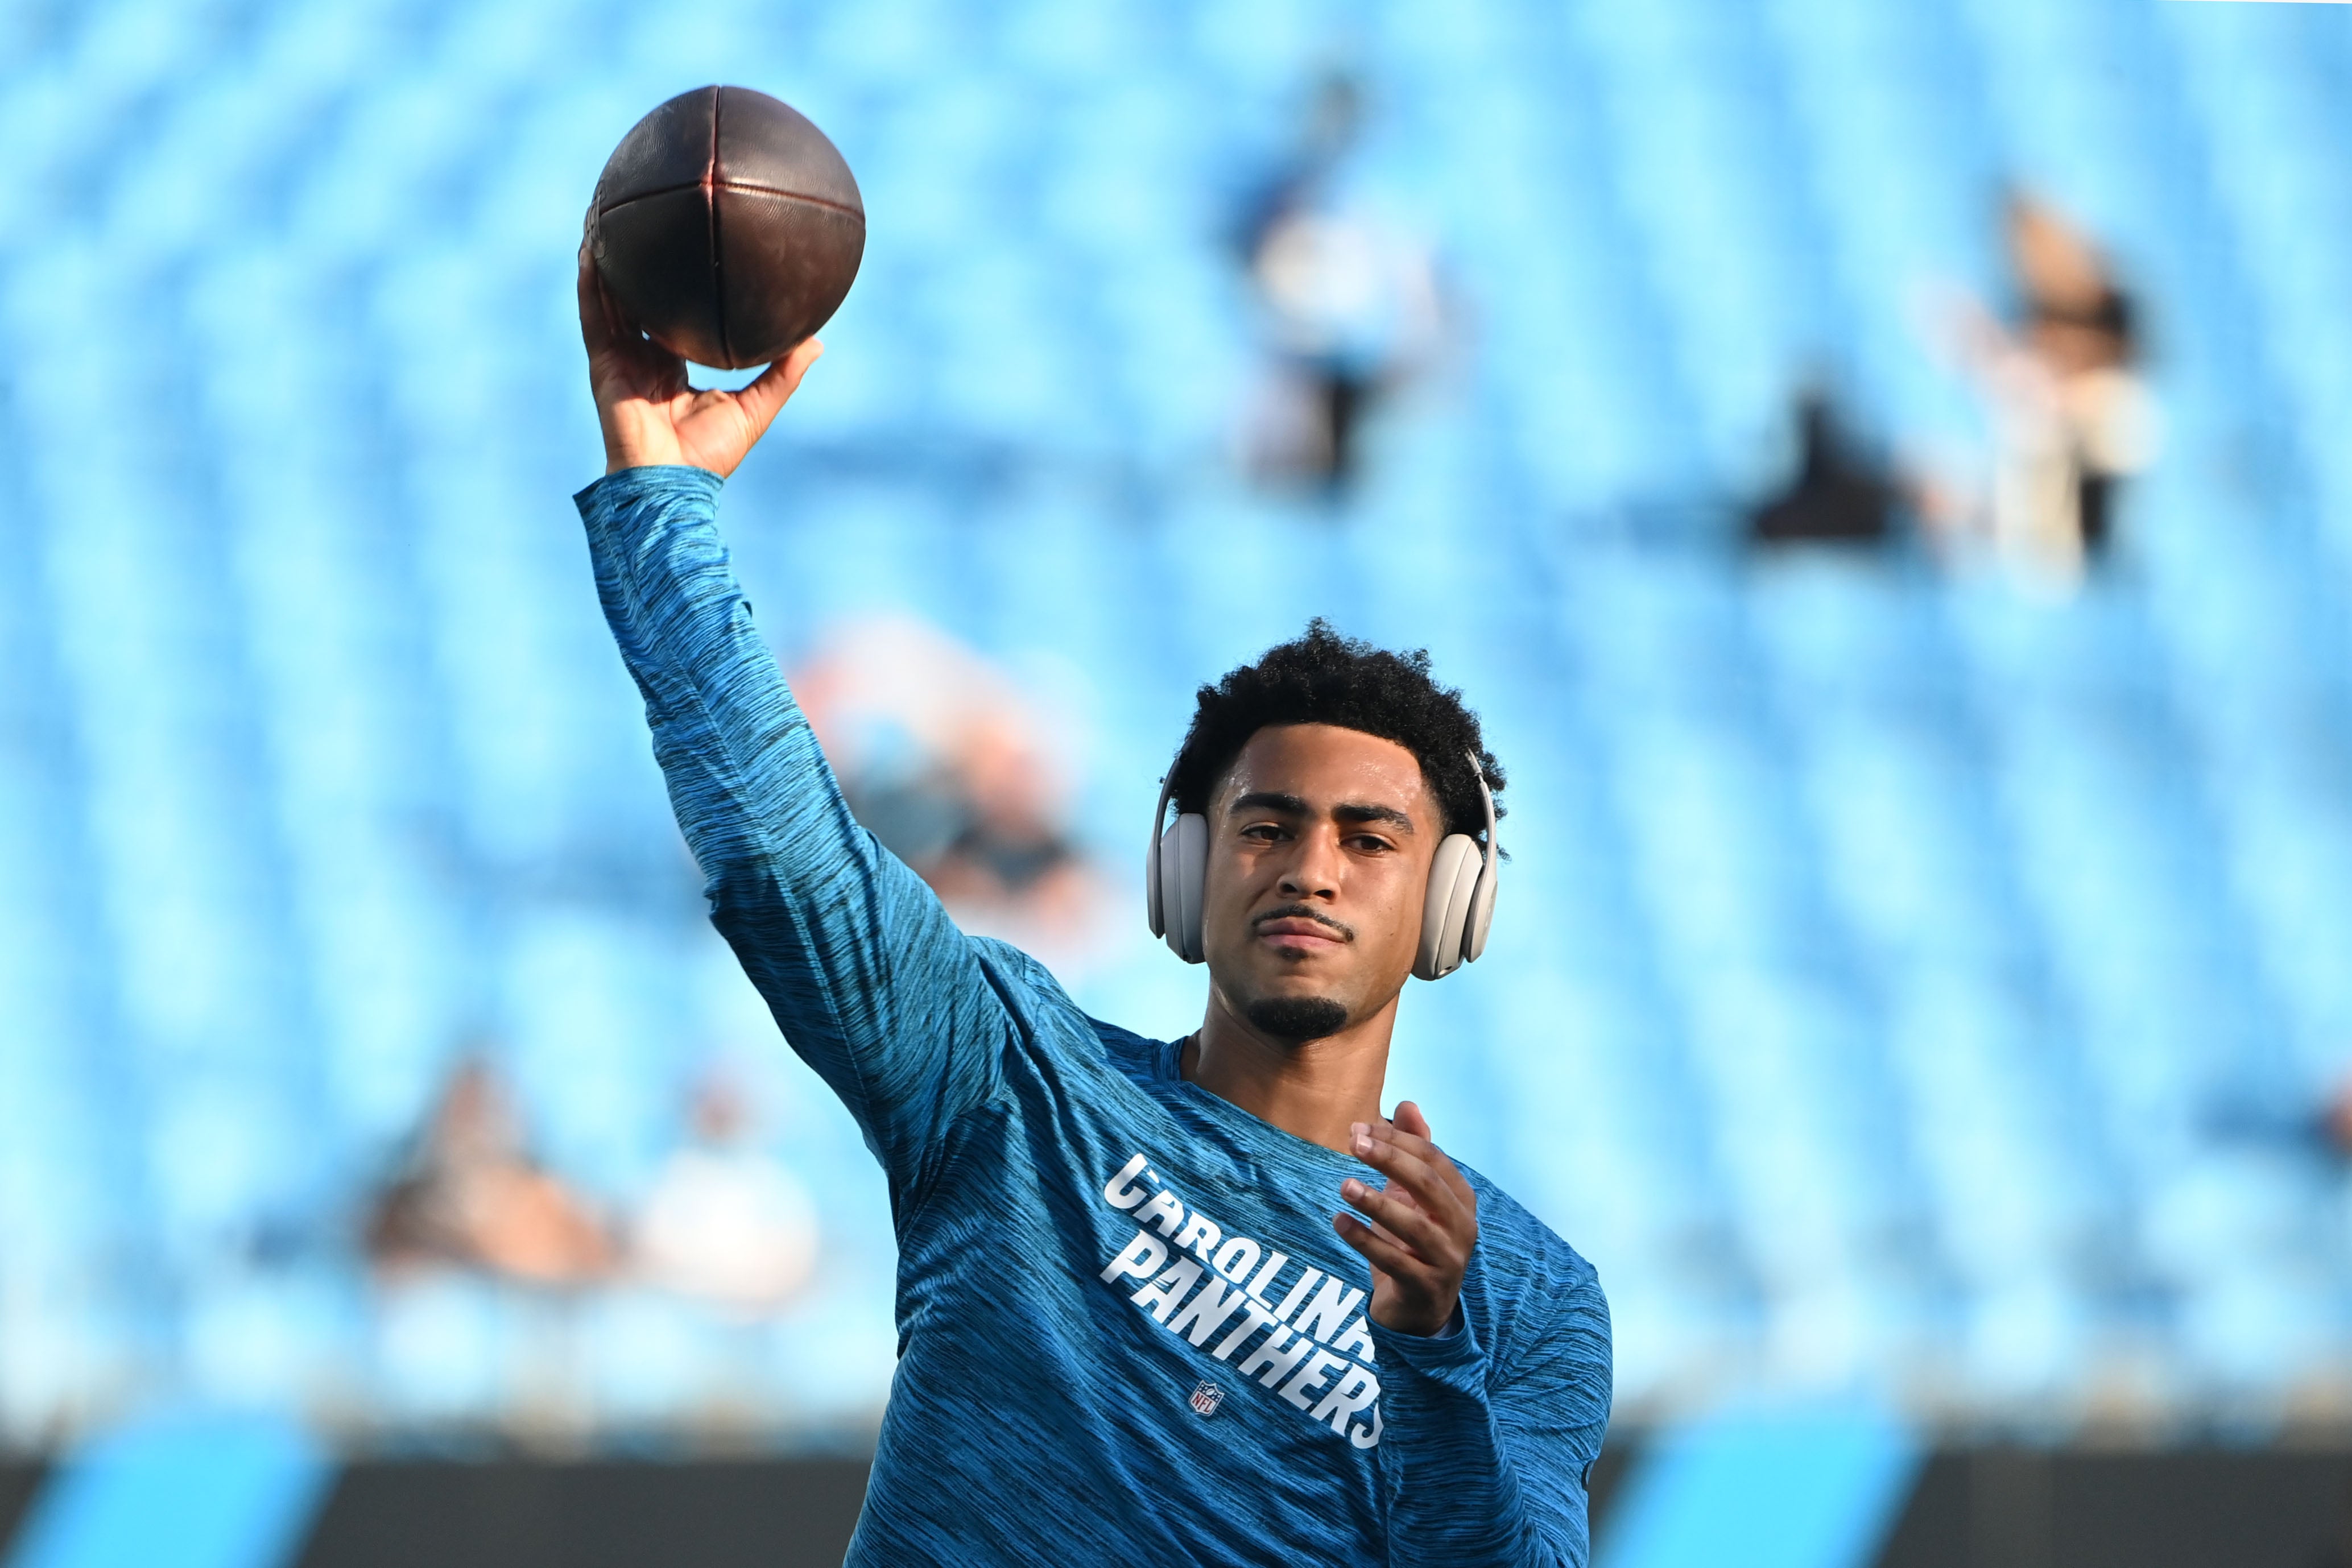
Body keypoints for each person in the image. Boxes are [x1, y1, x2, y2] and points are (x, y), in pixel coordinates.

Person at [573, 243, 1610, 1565]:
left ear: (1452, 901)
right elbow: (791, 868)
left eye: (1370, 837)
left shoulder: (1519, 1293)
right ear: (1183, 872)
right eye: (1266, 824)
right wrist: (661, 500)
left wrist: (1427, 1351)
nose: (1312, 866)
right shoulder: (1012, 1078)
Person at [1933, 193, 2157, 588]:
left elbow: (2118, 368)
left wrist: (2024, 366)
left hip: (2092, 482)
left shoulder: (2111, 304)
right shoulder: (2028, 308)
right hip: (2042, 481)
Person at [364, 1057, 613, 1288]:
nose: (472, 1132)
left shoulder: (548, 1199)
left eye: (482, 1111)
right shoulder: (403, 1210)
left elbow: (595, 1268)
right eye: (461, 1113)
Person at [634, 1070, 820, 1315]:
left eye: (728, 1106)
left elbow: (794, 1266)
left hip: (757, 1320)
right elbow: (651, 1259)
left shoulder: (774, 1186)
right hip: (687, 1314)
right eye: (713, 1106)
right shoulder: (671, 1180)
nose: (721, 1114)